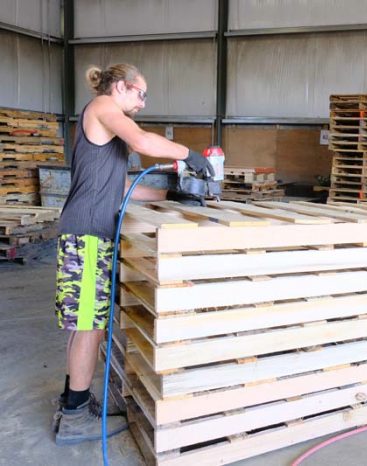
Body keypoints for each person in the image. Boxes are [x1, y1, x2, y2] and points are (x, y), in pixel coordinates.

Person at [53, 64, 213, 445]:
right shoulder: (102, 107)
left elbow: (123, 186)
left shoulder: (107, 125)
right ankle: (74, 416)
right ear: (122, 87)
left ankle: (74, 399)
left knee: (86, 323)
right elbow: (142, 141)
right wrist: (189, 155)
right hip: (88, 234)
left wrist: (169, 195)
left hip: (92, 233)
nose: (142, 103)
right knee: (89, 325)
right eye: (141, 94)